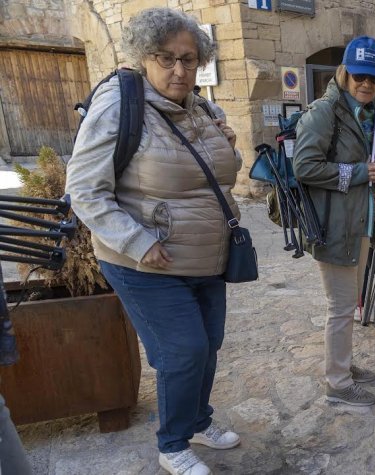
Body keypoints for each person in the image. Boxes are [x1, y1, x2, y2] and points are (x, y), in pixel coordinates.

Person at [66, 8, 241, 475]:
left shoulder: (205, 109)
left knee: (209, 344)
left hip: (206, 256)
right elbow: (84, 190)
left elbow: (221, 175)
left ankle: (198, 421)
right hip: (146, 262)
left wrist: (230, 145)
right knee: (182, 351)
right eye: (166, 58)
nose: (179, 70)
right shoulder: (119, 105)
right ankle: (173, 444)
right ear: (145, 57)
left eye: (189, 59)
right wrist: (137, 241)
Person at [292, 36, 375, 407]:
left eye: (373, 79)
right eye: (359, 76)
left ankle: (343, 365)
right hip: (333, 225)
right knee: (339, 306)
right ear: (344, 74)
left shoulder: (368, 113)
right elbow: (303, 167)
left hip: (360, 222)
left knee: (349, 303)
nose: (366, 84)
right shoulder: (324, 112)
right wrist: (359, 173)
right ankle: (337, 383)